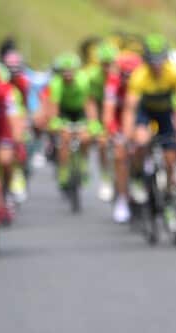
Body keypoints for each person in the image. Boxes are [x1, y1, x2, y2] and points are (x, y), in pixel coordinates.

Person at [122, 34, 176, 215]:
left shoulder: (174, 73)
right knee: (140, 142)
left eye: (160, 60)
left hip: (165, 113)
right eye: (152, 61)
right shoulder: (139, 76)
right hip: (146, 113)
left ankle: (169, 189)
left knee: (170, 157)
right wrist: (128, 134)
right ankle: (137, 176)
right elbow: (130, 108)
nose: (156, 65)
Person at [41, 52, 98, 193]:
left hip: (79, 111)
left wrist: (93, 122)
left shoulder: (83, 80)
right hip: (64, 111)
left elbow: (89, 103)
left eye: (70, 71)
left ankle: (83, 164)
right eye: (64, 72)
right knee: (64, 138)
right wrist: (55, 121)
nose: (67, 75)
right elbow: (53, 106)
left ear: (76, 71)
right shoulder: (56, 83)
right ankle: (63, 170)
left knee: (85, 137)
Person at [104, 51, 141, 222]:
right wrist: (113, 132)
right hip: (119, 120)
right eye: (125, 75)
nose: (128, 79)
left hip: (139, 120)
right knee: (120, 155)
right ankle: (122, 199)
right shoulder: (112, 83)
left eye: (132, 75)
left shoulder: (143, 82)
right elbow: (108, 112)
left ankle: (141, 178)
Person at [81, 42, 118, 201]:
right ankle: (104, 177)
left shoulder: (120, 75)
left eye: (110, 64)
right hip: (98, 108)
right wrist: (93, 122)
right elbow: (90, 101)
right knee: (99, 141)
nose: (107, 67)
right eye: (104, 64)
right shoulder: (92, 76)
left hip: (116, 109)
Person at [0, 64, 24, 224]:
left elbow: (14, 117)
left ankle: (7, 193)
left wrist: (17, 142)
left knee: (6, 160)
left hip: (2, 129)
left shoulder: (6, 91)